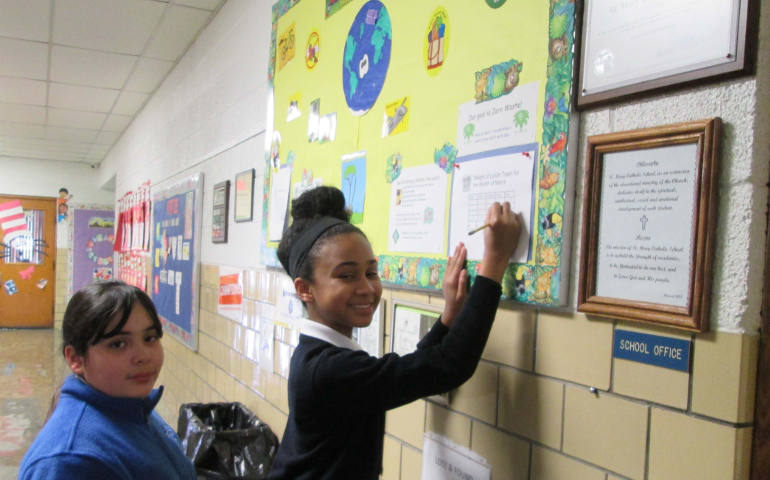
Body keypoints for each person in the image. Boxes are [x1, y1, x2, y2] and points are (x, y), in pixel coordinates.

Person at [268, 186, 521, 479]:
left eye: (371, 273)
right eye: (346, 275)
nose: (366, 288)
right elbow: (449, 366)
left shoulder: (319, 354)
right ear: (304, 289)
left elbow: (416, 367)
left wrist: (450, 317)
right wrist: (494, 262)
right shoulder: (329, 371)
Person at [18, 281, 196, 480]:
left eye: (150, 338)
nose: (143, 356)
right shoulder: (72, 462)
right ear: (76, 358)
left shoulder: (132, 408)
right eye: (118, 344)